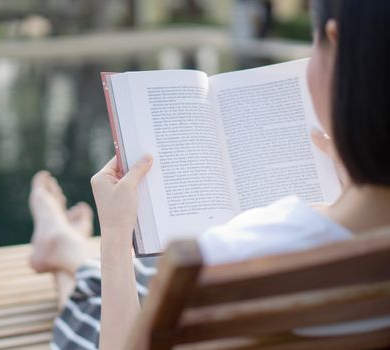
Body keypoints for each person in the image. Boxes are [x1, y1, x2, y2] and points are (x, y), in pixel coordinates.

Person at [29, 0, 390, 349]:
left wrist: (116, 234)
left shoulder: (242, 254)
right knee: (144, 283)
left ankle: (63, 245)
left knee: (99, 302)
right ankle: (63, 249)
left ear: (337, 46)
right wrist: (352, 180)